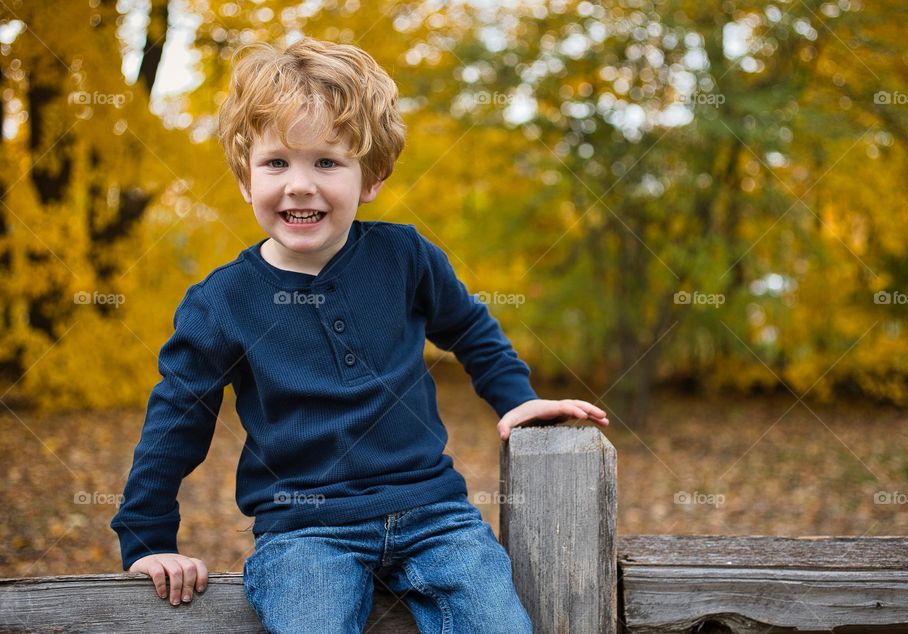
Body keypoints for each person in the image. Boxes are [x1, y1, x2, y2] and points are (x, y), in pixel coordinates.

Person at [110, 37, 608, 633]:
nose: (299, 184)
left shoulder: (405, 256)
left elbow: (469, 327)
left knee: (497, 624)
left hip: (435, 514)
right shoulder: (221, 303)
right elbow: (176, 420)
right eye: (276, 163)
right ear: (245, 179)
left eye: (326, 162)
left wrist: (518, 398)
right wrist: (147, 539)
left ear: (370, 177)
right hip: (305, 528)